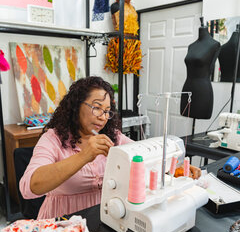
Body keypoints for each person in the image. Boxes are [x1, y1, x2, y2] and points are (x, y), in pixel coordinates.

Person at [20, 76, 201, 220]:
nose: (102, 117)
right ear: (75, 106)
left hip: (104, 218)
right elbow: (29, 187)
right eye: (97, 108)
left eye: (107, 111)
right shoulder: (53, 139)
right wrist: (84, 156)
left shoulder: (113, 137)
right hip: (62, 221)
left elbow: (143, 156)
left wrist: (173, 168)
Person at [180, 25, 221, 119]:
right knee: (185, 113)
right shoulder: (191, 46)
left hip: (203, 91)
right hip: (187, 87)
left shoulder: (214, 44)